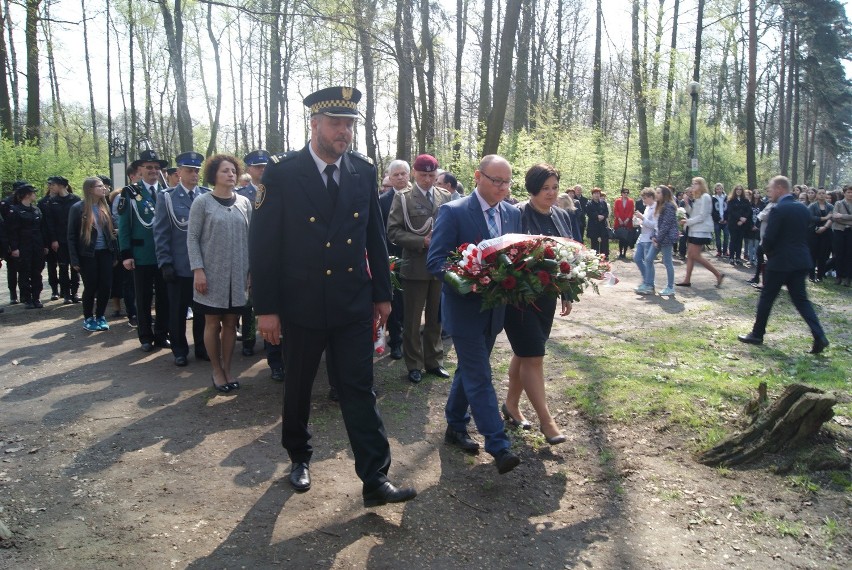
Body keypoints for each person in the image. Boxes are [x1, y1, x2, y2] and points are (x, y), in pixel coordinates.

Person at [249, 86, 416, 507]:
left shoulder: (361, 170)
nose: (344, 132)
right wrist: (266, 309)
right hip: (300, 302)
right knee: (299, 385)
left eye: (350, 125)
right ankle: (299, 455)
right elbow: (264, 246)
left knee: (359, 387)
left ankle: (375, 478)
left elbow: (375, 238)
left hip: (351, 300)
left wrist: (382, 293)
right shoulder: (283, 174)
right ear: (315, 125)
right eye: (337, 124)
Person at [426, 153, 523, 474]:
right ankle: (498, 444)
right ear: (478, 176)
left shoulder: (512, 214)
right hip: (464, 310)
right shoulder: (452, 212)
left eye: (507, 182)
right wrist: (469, 279)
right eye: (496, 180)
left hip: (495, 313)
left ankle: (455, 424)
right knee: (480, 375)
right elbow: (436, 261)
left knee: (468, 369)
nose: (502, 187)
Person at [503, 164, 577, 445]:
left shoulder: (562, 215)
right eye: (545, 188)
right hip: (519, 297)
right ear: (532, 188)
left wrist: (567, 292)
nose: (551, 193)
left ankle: (510, 405)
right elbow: (507, 253)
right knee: (534, 355)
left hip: (547, 296)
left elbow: (571, 254)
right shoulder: (517, 214)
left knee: (525, 353)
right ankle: (547, 422)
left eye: (555, 187)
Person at [738, 176, 829, 354]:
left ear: (780, 189)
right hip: (801, 261)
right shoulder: (802, 209)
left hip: (780, 262)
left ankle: (757, 334)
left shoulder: (779, 209)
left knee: (767, 298)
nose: (768, 193)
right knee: (802, 301)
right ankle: (820, 336)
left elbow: (770, 238)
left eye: (770, 189)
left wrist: (765, 251)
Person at [187, 154, 251, 390]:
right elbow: (192, 238)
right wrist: (198, 270)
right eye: (225, 171)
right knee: (212, 323)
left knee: (231, 324)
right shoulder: (202, 202)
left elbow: (251, 238)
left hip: (239, 276)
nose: (231, 174)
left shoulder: (244, 203)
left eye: (233, 170)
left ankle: (228, 370)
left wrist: (251, 271)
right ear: (214, 174)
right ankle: (216, 370)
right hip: (211, 275)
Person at [387, 154, 452, 384]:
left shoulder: (445, 196)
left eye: (432, 175)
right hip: (415, 266)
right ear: (415, 173)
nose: (427, 180)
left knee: (436, 318)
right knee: (413, 320)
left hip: (440, 267)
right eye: (423, 175)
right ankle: (414, 364)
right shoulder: (404, 199)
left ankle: (434, 361)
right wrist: (421, 241)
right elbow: (393, 231)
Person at [154, 151, 210, 366]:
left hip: (204, 266)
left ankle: (202, 347)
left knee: (203, 311)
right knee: (177, 310)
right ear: (179, 173)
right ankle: (179, 349)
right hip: (179, 265)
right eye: (189, 170)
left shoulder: (206, 195)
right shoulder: (167, 197)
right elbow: (161, 232)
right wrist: (165, 262)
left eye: (196, 170)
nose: (194, 174)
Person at [117, 149, 171, 351]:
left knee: (164, 298)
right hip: (142, 255)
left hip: (164, 255)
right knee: (143, 297)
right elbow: (124, 226)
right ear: (139, 170)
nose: (153, 171)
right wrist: (126, 254)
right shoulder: (131, 192)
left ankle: (162, 334)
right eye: (149, 167)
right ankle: (145, 336)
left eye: (157, 168)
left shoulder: (166, 193)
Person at [235, 149, 274, 363]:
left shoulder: (277, 190)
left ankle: (271, 341)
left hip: (272, 251)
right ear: (249, 169)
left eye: (265, 166)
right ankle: (249, 340)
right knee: (249, 302)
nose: (262, 170)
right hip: (249, 250)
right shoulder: (242, 196)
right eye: (258, 167)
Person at [68, 177, 118, 331]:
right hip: (87, 254)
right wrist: (74, 259)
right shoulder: (78, 208)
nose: (104, 189)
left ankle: (100, 316)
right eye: (100, 186)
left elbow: (110, 233)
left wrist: (114, 254)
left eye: (104, 186)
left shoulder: (105, 207)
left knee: (106, 286)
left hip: (105, 252)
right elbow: (71, 235)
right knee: (91, 286)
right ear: (90, 189)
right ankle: (88, 318)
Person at [378, 160, 409, 361]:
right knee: (396, 301)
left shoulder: (417, 198)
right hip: (392, 258)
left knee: (411, 302)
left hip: (414, 256)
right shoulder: (382, 201)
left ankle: (411, 341)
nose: (399, 177)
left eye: (403, 174)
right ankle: (396, 342)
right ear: (389, 177)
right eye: (395, 174)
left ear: (409, 175)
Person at [677, 177, 725, 288]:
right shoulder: (697, 198)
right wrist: (687, 204)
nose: (693, 186)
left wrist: (687, 222)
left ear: (701, 185)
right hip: (694, 230)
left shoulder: (705, 197)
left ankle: (718, 274)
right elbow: (692, 213)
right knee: (690, 255)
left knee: (695, 255)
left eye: (695, 184)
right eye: (692, 184)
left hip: (702, 230)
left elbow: (702, 216)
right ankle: (687, 279)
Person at [7, 184, 47, 308]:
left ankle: (36, 297)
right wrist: (14, 248)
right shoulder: (15, 210)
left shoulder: (36, 210)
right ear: (27, 195)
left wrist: (44, 245)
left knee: (37, 271)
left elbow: (42, 229)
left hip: (37, 245)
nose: (35, 195)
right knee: (24, 272)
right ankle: (27, 298)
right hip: (23, 246)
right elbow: (12, 231)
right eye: (33, 193)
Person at [43, 176, 82, 304]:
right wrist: (54, 240)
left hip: (74, 239)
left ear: (61, 185)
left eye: (53, 185)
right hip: (60, 239)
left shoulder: (76, 199)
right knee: (63, 266)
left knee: (75, 266)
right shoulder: (52, 202)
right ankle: (66, 294)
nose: (51, 187)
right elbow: (50, 223)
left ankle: (75, 292)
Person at [647, 185, 679, 296]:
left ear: (665, 194)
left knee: (667, 262)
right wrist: (653, 236)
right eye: (656, 192)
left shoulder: (669, 206)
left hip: (665, 239)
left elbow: (666, 225)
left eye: (659, 193)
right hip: (657, 237)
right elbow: (656, 224)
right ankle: (650, 283)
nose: (656, 194)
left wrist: (657, 239)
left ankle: (670, 287)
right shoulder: (658, 206)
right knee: (649, 258)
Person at [632, 188, 657, 294]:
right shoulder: (647, 207)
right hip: (642, 237)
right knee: (637, 258)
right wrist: (639, 221)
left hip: (649, 239)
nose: (643, 201)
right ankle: (646, 280)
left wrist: (642, 218)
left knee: (648, 262)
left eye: (645, 198)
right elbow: (646, 223)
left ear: (651, 197)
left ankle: (649, 285)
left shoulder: (656, 208)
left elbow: (654, 225)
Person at [828, 185, 852, 286]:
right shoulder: (838, 203)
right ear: (844, 193)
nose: (850, 194)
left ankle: (847, 278)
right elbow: (835, 217)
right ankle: (838, 276)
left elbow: (839, 217)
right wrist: (849, 221)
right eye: (848, 192)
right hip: (839, 231)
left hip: (850, 232)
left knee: (849, 254)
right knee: (838, 254)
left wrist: (842, 216)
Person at [726, 184, 751, 266]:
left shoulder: (745, 200)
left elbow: (748, 211)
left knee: (740, 241)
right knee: (733, 240)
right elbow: (731, 211)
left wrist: (744, 219)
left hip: (742, 224)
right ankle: (731, 257)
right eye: (737, 189)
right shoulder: (731, 200)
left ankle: (738, 257)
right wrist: (739, 218)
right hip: (733, 223)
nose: (739, 191)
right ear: (735, 190)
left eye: (740, 189)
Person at [585, 187, 609, 259]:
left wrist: (603, 216)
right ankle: (594, 256)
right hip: (593, 225)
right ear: (592, 195)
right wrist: (597, 216)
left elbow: (606, 212)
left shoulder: (603, 203)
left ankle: (604, 255)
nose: (597, 195)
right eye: (595, 193)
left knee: (604, 241)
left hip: (602, 224)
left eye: (598, 193)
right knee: (594, 241)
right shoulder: (589, 203)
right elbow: (588, 213)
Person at [613, 188, 635, 259]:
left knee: (626, 238)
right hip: (619, 221)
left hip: (627, 222)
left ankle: (624, 253)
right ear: (621, 193)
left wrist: (628, 219)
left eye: (627, 193)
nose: (626, 194)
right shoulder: (617, 201)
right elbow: (616, 210)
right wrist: (619, 219)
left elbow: (631, 211)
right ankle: (620, 253)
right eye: (624, 192)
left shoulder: (631, 201)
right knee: (621, 238)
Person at [711, 183, 729, 258]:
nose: (719, 190)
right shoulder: (713, 198)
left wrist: (726, 219)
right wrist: (718, 219)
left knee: (726, 235)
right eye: (717, 189)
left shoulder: (726, 197)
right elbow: (712, 210)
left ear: (722, 189)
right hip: (717, 221)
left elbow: (729, 209)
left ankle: (725, 250)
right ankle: (719, 250)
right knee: (718, 237)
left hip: (726, 221)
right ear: (715, 190)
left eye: (720, 188)